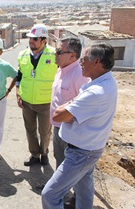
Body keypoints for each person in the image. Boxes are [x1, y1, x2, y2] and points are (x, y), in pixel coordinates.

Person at [41, 42, 117, 209]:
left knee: (50, 195)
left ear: (96, 62)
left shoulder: (95, 92)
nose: (81, 63)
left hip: (81, 153)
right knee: (84, 190)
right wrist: (73, 106)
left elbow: (58, 115)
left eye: (84, 59)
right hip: (89, 148)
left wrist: (69, 106)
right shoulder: (107, 82)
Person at [50, 37, 90, 209]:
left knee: (76, 172)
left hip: (72, 132)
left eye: (59, 52)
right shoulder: (61, 69)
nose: (55, 55)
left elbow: (83, 106)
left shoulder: (79, 75)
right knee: (61, 166)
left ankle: (77, 200)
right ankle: (67, 196)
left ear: (72, 56)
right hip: (57, 128)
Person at [16, 24, 58, 166]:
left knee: (45, 131)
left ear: (44, 40)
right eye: (30, 38)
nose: (31, 41)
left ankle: (44, 153)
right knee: (30, 130)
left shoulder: (54, 55)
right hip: (27, 101)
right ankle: (34, 155)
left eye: (35, 39)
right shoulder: (22, 55)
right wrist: (18, 94)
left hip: (46, 102)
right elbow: (19, 76)